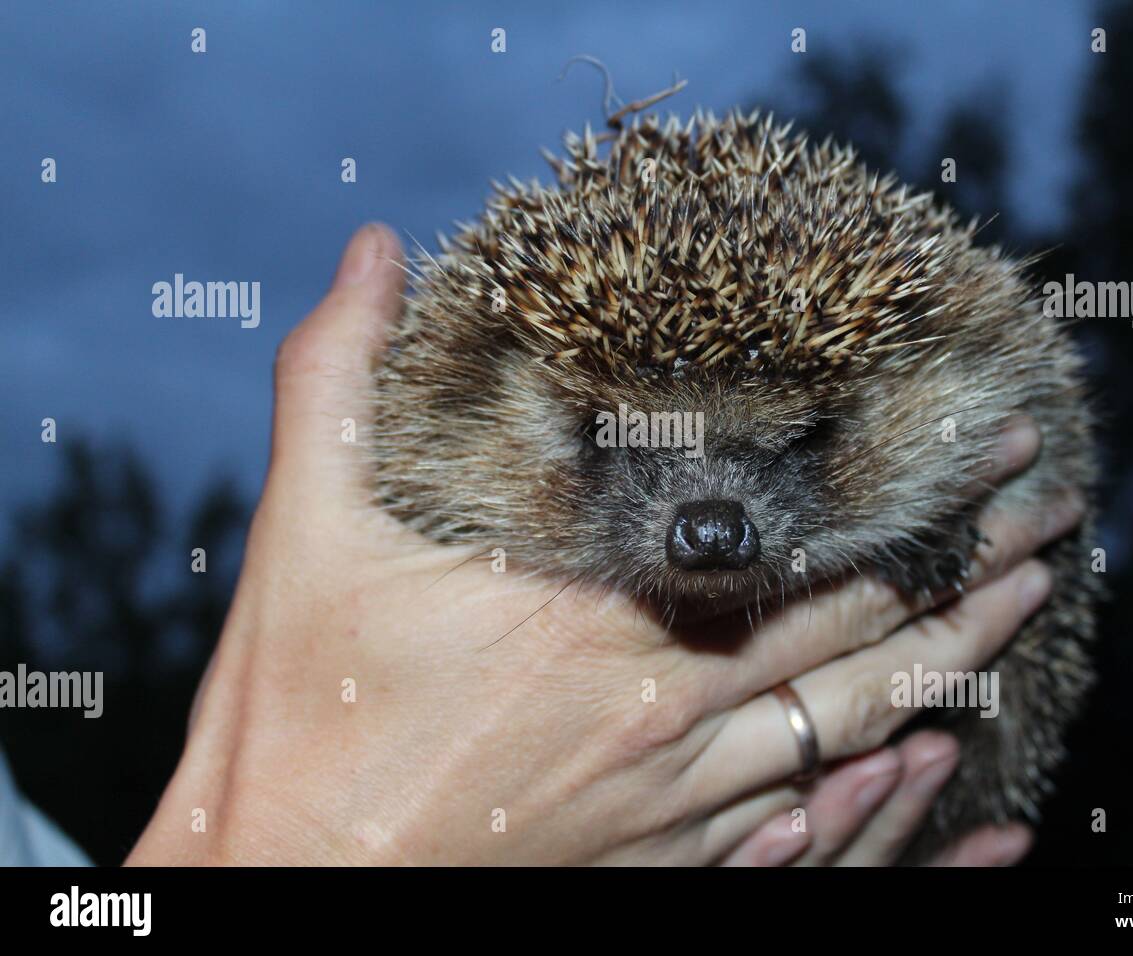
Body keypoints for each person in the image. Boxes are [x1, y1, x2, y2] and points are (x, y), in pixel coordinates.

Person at [125, 225, 1082, 866]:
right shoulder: (449, 429)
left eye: (800, 440)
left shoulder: (954, 390)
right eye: (611, 441)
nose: (710, 525)